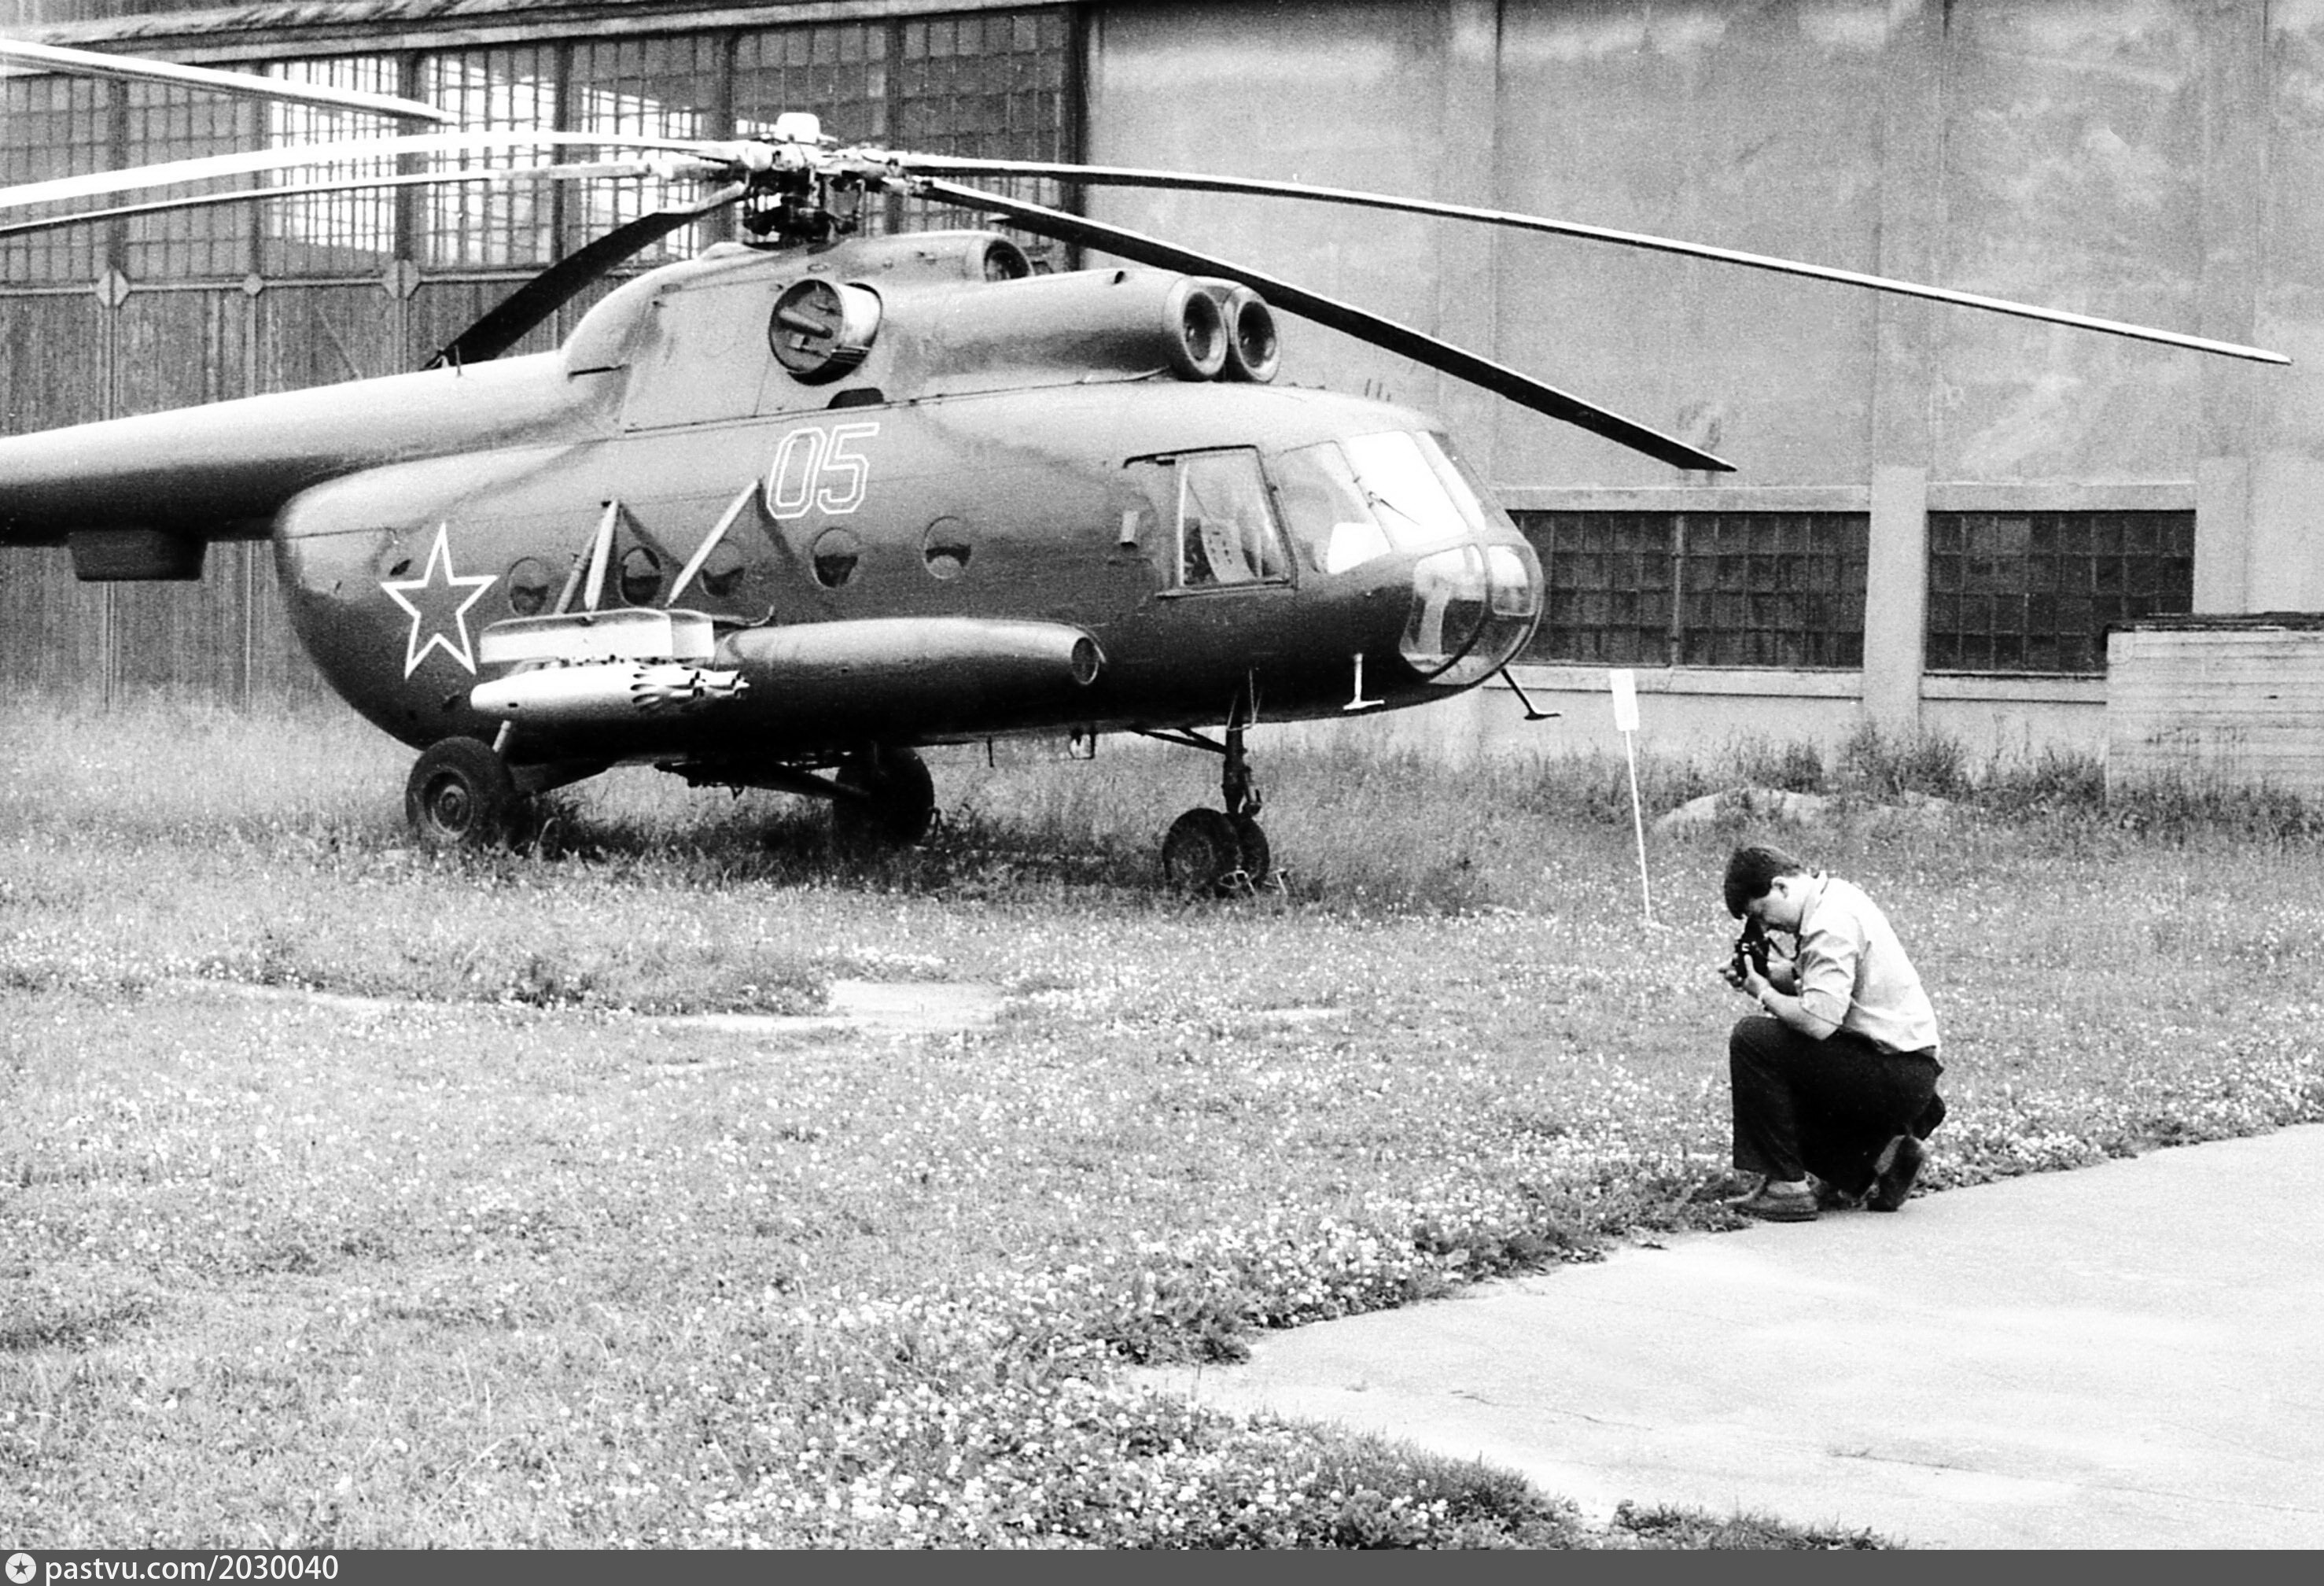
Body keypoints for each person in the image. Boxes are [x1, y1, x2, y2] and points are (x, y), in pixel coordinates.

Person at [1718, 843, 1946, 1222]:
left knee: (1754, 1041)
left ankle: (1786, 1188)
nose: (1767, 926)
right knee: (1784, 1053)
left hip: (1893, 1074)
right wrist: (1760, 972)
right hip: (1908, 1069)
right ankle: (1883, 1159)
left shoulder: (1829, 924)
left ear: (1780, 886)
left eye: (1762, 914)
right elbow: (1818, 983)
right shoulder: (1836, 897)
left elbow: (1818, 1021)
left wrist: (1763, 992)